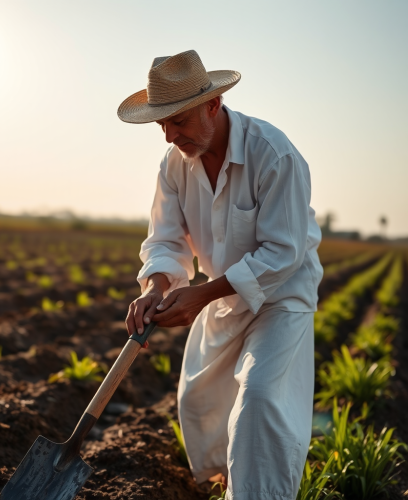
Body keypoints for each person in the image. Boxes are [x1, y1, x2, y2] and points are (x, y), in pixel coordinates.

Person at [118, 49, 323, 500]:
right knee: (200, 400)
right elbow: (167, 240)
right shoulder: (174, 165)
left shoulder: (274, 155)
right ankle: (229, 478)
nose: (170, 136)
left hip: (281, 297)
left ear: (213, 105)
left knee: (259, 400)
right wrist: (156, 287)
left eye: (179, 121)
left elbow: (283, 251)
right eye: (162, 124)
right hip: (222, 297)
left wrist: (202, 294)